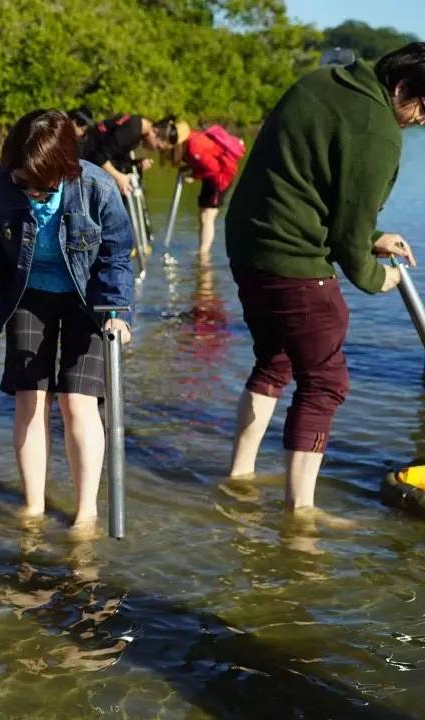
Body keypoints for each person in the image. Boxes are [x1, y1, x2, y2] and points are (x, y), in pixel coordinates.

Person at [225, 43, 425, 513]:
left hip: (248, 247)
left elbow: (306, 182)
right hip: (293, 261)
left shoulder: (323, 81)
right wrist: (378, 277)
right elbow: (348, 242)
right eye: (424, 106)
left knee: (274, 362)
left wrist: (373, 236)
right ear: (400, 88)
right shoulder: (379, 129)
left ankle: (239, 477)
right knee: (325, 381)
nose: (422, 120)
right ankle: (301, 513)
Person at [0, 110, 134, 528]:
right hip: (28, 295)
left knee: (76, 402)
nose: (30, 193)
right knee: (30, 398)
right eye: (21, 181)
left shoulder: (97, 186)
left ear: (65, 169)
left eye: (41, 187)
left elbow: (116, 253)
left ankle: (86, 513)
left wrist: (115, 312)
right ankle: (34, 507)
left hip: (89, 299)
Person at [173, 121, 244, 261]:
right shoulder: (191, 140)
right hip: (211, 176)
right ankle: (203, 250)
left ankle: (204, 255)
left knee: (208, 215)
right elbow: (205, 160)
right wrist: (191, 170)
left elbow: (214, 168)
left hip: (222, 177)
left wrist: (193, 176)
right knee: (202, 215)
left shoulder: (193, 145)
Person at [81, 112, 181, 197]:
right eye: (158, 147)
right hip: (81, 154)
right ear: (155, 131)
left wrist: (135, 163)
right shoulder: (132, 130)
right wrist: (119, 177)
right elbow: (99, 155)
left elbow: (116, 156)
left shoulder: (138, 127)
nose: (154, 150)